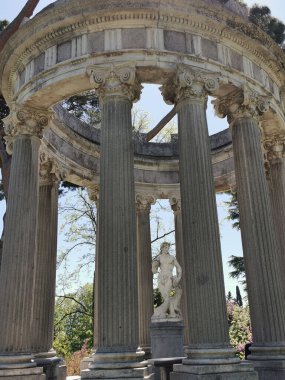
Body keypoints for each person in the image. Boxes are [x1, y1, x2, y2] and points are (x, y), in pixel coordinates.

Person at [152, 242, 182, 319]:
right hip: (161, 277)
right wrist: (154, 267)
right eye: (165, 247)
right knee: (161, 295)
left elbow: (179, 268)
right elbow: (154, 266)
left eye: (168, 248)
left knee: (166, 295)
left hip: (169, 276)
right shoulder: (159, 257)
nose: (167, 249)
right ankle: (172, 313)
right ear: (162, 248)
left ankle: (162, 313)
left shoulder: (171, 257)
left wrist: (178, 278)